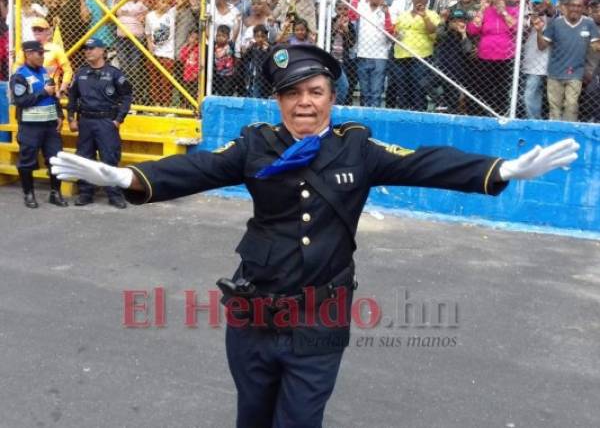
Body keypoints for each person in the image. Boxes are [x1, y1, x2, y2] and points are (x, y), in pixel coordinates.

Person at [51, 44, 579, 427]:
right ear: (277, 101)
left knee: (300, 420)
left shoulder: (356, 149)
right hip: (253, 313)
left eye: (315, 91)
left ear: (331, 96)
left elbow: (423, 163)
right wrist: (128, 178)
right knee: (252, 416)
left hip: (320, 317)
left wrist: (501, 170)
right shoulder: (257, 145)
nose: (304, 103)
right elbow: (200, 169)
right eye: (291, 93)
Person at [66, 37, 132, 209]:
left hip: (106, 122)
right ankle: (85, 193)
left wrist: (119, 119)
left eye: (92, 48)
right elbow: (72, 98)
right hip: (86, 121)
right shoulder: (80, 74)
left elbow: (126, 96)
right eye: (86, 49)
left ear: (103, 50)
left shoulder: (114, 73)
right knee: (84, 158)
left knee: (109, 157)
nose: (88, 51)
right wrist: (71, 118)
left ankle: (114, 195)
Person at [10, 40, 67, 208]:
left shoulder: (44, 72)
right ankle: (28, 194)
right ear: (28, 54)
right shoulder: (19, 76)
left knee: (56, 159)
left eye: (44, 53)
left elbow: (53, 96)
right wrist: (43, 93)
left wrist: (59, 115)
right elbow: (21, 101)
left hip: (50, 126)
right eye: (40, 53)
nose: (43, 56)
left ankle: (55, 193)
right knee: (27, 161)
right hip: (30, 126)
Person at [534, 0, 600, 121]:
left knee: (571, 106)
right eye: (573, 5)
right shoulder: (555, 23)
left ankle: (569, 133)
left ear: (584, 8)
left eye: (579, 6)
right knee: (554, 109)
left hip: (576, 73)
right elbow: (542, 46)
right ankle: (555, 135)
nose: (575, 8)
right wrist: (538, 31)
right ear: (567, 6)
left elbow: (595, 47)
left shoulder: (589, 24)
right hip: (555, 72)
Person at [467, 0, 518, 116]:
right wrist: (482, 11)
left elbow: (518, 30)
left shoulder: (513, 11)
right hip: (485, 56)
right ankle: (484, 115)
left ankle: (501, 114)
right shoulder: (485, 11)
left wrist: (504, 13)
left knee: (502, 89)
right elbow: (472, 30)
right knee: (484, 88)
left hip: (505, 57)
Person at [389, 0, 441, 111]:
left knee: (418, 88)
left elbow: (433, 31)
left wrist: (424, 16)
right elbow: (396, 33)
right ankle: (403, 114)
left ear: (428, 0)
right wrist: (396, 35)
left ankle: (419, 114)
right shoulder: (403, 15)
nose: (421, 0)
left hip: (421, 56)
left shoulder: (432, 14)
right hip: (400, 55)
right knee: (402, 88)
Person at [14, 17, 73, 99]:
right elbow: (17, 68)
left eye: (40, 29)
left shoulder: (55, 49)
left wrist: (62, 88)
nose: (37, 32)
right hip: (30, 92)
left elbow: (68, 70)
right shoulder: (27, 48)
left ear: (48, 31)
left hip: (50, 92)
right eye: (35, 30)